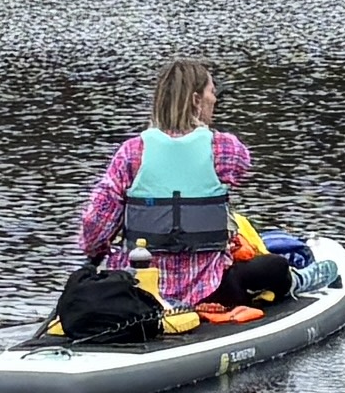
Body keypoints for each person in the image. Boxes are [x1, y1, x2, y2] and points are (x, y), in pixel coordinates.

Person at [75, 53, 275, 321]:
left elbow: (94, 227)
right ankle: (299, 281)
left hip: (140, 289)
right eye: (211, 93)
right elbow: (242, 167)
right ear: (196, 100)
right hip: (212, 290)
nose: (214, 100)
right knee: (276, 268)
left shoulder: (132, 152)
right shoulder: (224, 149)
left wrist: (97, 250)